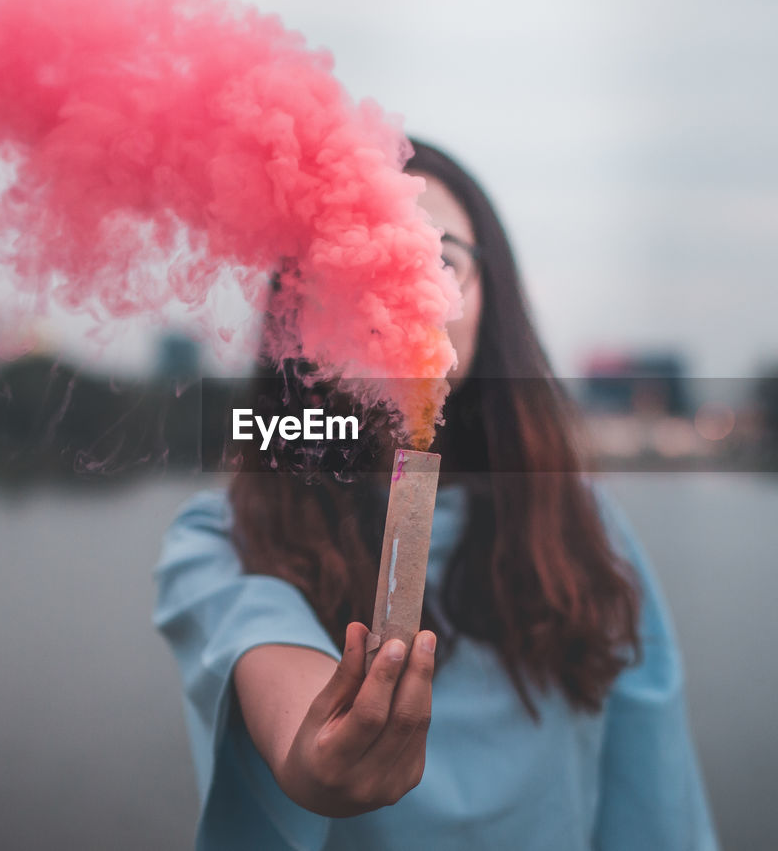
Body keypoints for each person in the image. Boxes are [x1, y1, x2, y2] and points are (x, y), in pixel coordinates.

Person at [153, 138, 719, 850]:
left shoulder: (583, 526)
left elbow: (657, 806)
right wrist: (318, 753)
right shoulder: (220, 537)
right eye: (354, 265)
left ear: (493, 302)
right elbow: (272, 657)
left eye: (439, 259)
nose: (399, 294)